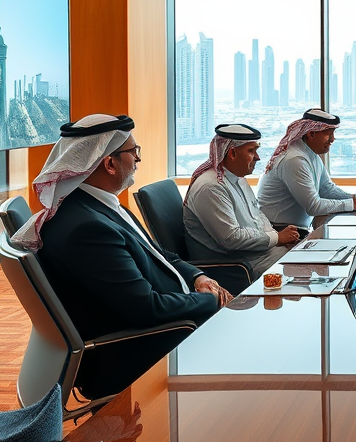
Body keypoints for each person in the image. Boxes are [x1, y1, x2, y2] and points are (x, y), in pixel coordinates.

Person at [13, 114, 229, 400]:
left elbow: (159, 255)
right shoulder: (87, 229)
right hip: (135, 347)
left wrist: (198, 277)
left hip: (161, 320)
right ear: (110, 163)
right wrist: (211, 300)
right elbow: (147, 308)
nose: (138, 159)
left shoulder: (98, 205)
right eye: (133, 152)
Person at [183, 123, 302, 277]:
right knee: (305, 269)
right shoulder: (211, 187)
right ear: (232, 153)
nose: (258, 158)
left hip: (258, 253)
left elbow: (257, 217)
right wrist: (277, 238)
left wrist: (280, 239)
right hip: (238, 265)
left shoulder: (236, 178)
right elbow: (232, 238)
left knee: (312, 258)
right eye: (251, 151)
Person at [258, 109, 356, 228]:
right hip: (278, 231)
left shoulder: (310, 155)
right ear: (311, 134)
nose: (332, 139)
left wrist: (355, 198)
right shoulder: (294, 160)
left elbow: (327, 189)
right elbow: (313, 207)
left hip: (296, 229)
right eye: (329, 134)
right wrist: (352, 204)